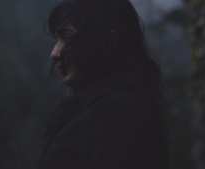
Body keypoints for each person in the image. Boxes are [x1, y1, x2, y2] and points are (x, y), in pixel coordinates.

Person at [39, 0, 169, 168]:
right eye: (57, 39)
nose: (55, 53)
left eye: (66, 37)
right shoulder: (106, 108)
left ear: (110, 41)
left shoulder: (120, 112)